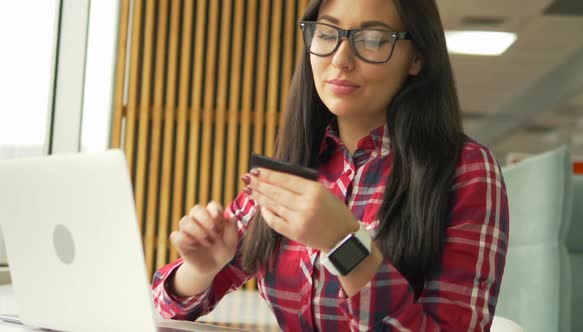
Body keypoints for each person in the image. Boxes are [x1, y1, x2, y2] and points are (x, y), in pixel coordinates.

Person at [152, 0, 509, 330]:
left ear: (417, 57)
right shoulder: (293, 166)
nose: (340, 59)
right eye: (326, 33)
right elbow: (164, 308)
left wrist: (344, 243)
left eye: (371, 40)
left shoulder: (467, 170)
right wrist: (200, 270)